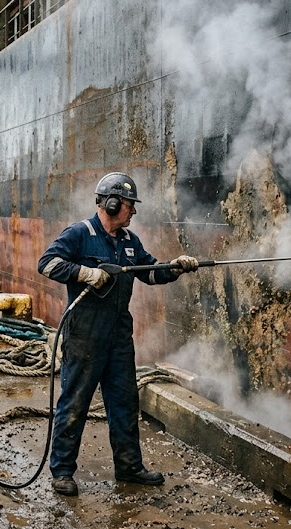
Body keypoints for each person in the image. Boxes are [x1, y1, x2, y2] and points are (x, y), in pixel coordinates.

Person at [37, 172, 199, 496]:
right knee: (75, 403)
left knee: (125, 403)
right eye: (129, 205)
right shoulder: (80, 235)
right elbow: (47, 263)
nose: (133, 212)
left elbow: (149, 272)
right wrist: (84, 273)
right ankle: (62, 472)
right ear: (111, 203)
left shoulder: (129, 242)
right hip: (84, 337)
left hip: (118, 339)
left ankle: (129, 467)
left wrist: (176, 267)